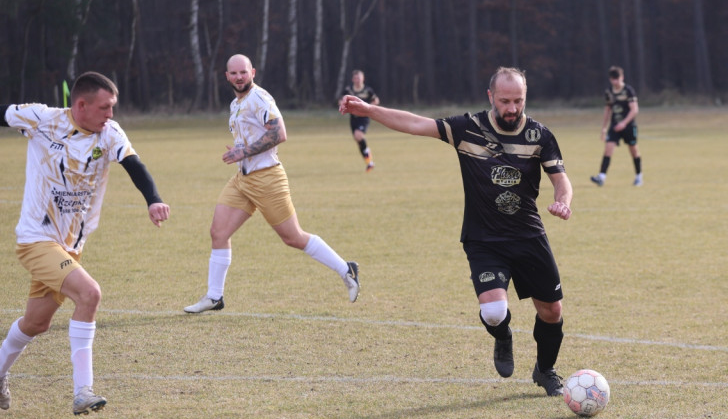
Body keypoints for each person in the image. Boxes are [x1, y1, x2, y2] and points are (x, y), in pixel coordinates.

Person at [340, 66, 573, 396]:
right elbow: (415, 123)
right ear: (490, 96)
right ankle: (503, 336)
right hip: (483, 238)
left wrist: (563, 201)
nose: (512, 108)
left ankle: (545, 370)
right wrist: (369, 110)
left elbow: (560, 179)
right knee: (494, 312)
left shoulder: (540, 136)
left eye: (518, 101)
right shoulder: (468, 128)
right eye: (505, 100)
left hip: (527, 235)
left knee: (552, 310)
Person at [0, 72, 171, 415]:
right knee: (90, 293)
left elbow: (134, 164)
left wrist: (153, 198)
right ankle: (83, 392)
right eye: (105, 107)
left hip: (69, 247)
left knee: (37, 323)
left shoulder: (109, 134)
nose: (111, 114)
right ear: (81, 105)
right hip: (36, 239)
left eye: (113, 107)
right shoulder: (43, 119)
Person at [184, 54, 360, 314]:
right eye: (233, 73)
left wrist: (243, 152)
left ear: (252, 72)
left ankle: (347, 269)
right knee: (218, 233)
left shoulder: (260, 98)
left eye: (243, 72)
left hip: (267, 178)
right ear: (227, 76)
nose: (239, 77)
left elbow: (279, 133)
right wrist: (240, 150)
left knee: (293, 237)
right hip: (242, 180)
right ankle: (214, 296)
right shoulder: (236, 103)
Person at [590, 66, 643, 187]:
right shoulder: (609, 92)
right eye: (613, 79)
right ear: (610, 79)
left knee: (633, 151)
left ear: (622, 77)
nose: (615, 82)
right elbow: (607, 110)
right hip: (614, 126)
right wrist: (604, 128)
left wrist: (624, 123)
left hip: (629, 126)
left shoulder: (628, 90)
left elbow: (634, 110)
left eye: (617, 79)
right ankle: (601, 177)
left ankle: (639, 176)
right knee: (608, 149)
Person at [339, 69, 380, 171]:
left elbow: (376, 100)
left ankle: (368, 157)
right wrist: (342, 105)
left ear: (363, 78)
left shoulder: (367, 90)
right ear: (353, 79)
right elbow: (341, 100)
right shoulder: (349, 90)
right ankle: (369, 162)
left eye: (359, 77)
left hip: (364, 117)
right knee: (358, 141)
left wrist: (368, 108)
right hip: (353, 118)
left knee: (358, 136)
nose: (357, 80)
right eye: (356, 78)